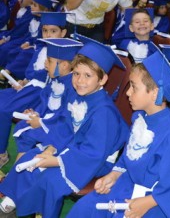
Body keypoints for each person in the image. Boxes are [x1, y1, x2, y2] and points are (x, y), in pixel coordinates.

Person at [0, 40, 129, 218]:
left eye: (87, 75)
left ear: (103, 79)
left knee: (49, 180)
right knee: (32, 157)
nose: (79, 81)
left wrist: (55, 160)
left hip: (93, 161)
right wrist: (52, 148)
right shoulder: (77, 95)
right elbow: (65, 127)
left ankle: (42, 212)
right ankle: (18, 201)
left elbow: (93, 152)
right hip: (72, 146)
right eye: (76, 74)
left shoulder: (104, 113)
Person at [67, 50, 170, 218]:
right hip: (127, 184)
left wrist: (147, 202)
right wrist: (114, 175)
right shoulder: (140, 118)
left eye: (134, 87)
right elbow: (128, 155)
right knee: (84, 209)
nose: (127, 92)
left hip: (155, 202)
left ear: (155, 93)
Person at [0, 11, 67, 170]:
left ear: (63, 32)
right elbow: (31, 72)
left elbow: (53, 80)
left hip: (41, 94)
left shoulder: (63, 54)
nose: (48, 35)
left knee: (4, 109)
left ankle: (2, 153)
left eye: (53, 31)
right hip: (29, 87)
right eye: (45, 30)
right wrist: (23, 81)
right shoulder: (41, 48)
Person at [13, 37, 83, 159]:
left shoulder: (73, 87)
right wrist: (34, 113)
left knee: (29, 134)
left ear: (65, 65)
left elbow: (64, 116)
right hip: (48, 120)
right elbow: (45, 102)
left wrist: (41, 122)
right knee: (23, 126)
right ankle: (17, 172)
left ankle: (16, 173)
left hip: (59, 127)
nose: (45, 64)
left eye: (49, 61)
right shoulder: (55, 79)